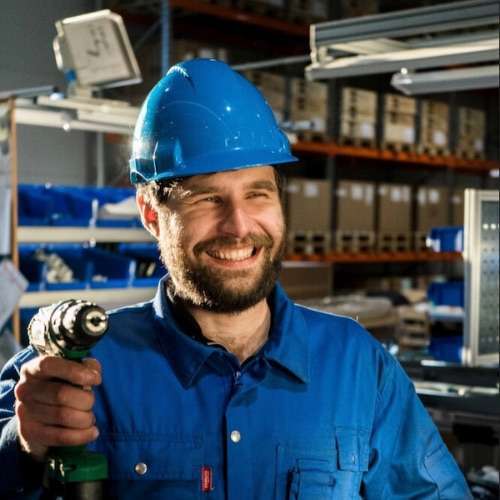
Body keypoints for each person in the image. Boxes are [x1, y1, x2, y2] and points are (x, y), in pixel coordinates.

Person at [0, 59, 471, 499]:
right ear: (151, 213)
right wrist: (21, 445)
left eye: (257, 194)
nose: (240, 226)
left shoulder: (357, 367)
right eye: (207, 199)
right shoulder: (74, 371)